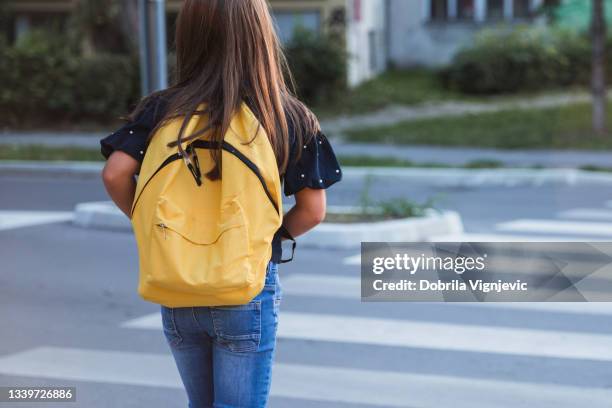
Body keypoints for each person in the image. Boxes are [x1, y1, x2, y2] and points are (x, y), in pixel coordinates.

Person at [99, 0, 342, 407]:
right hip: (244, 285)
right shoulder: (286, 115)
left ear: (189, 37)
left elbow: (115, 174)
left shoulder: (161, 109)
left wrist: (153, 224)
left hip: (177, 282)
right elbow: (313, 210)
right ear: (260, 36)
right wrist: (268, 237)